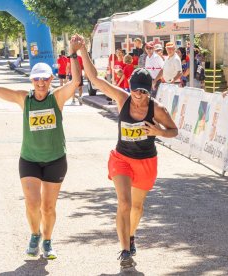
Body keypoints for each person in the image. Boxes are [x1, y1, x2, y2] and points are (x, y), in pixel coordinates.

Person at [0, 36, 82, 259]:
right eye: (37, 80)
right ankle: (35, 234)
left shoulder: (57, 98)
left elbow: (75, 82)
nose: (41, 83)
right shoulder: (24, 99)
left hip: (55, 159)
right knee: (33, 203)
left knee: (48, 208)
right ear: (32, 81)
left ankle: (47, 241)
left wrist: (74, 54)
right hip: (30, 159)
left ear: (51, 78)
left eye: (44, 79)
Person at [75, 34, 178, 270]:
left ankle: (130, 236)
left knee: (137, 208)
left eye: (142, 92)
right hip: (122, 159)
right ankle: (124, 251)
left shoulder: (157, 109)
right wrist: (82, 51)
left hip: (146, 161)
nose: (138, 97)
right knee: (124, 203)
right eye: (135, 92)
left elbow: (174, 131)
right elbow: (94, 79)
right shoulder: (122, 99)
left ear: (149, 91)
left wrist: (158, 132)